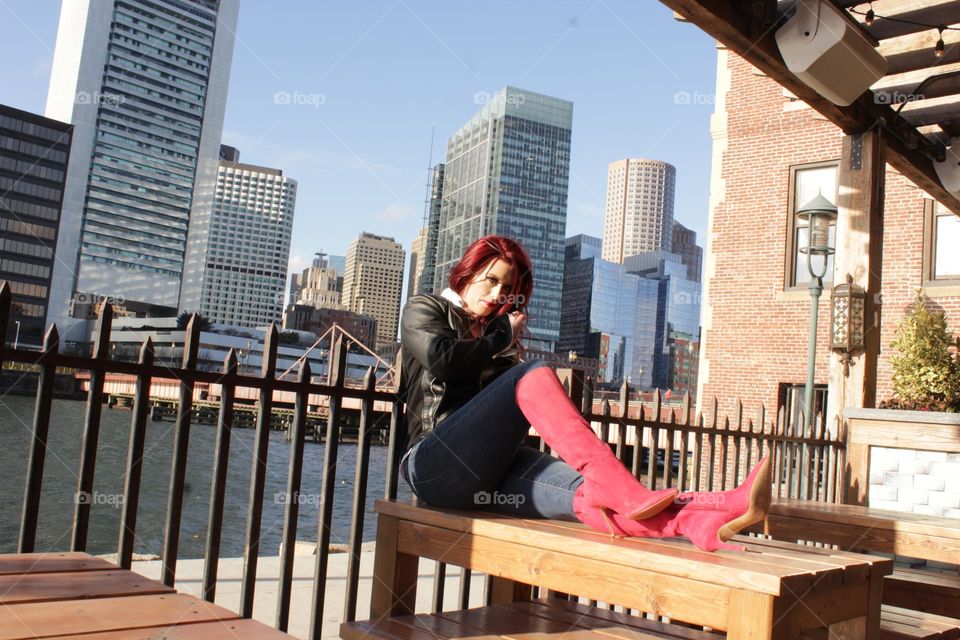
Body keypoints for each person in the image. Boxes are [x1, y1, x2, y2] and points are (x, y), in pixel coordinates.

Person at [398, 235, 770, 551]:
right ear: (467, 273)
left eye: (508, 289)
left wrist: (501, 345)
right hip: (434, 467)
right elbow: (441, 359)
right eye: (490, 280)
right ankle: (622, 484)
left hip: (490, 475)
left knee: (588, 497)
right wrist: (501, 336)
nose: (498, 294)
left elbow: (513, 413)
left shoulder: (499, 343)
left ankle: (700, 517)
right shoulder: (426, 308)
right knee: (535, 373)